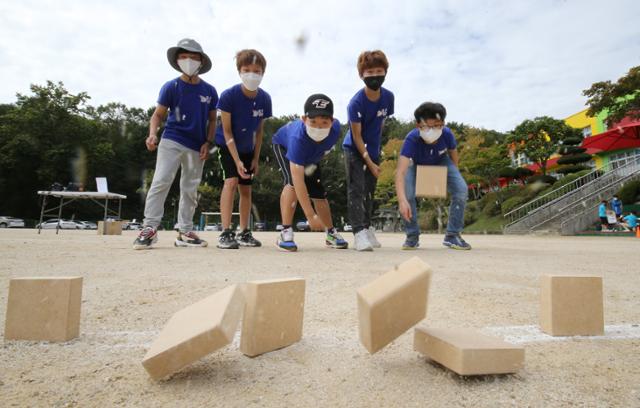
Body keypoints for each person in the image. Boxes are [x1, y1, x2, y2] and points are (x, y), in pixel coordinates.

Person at [133, 38, 218, 250]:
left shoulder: (209, 91)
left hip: (196, 144)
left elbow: (213, 120)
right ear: (177, 60)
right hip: (171, 139)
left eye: (193, 57)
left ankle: (185, 231)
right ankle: (149, 228)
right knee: (161, 181)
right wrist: (152, 134)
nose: (188, 60)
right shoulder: (171, 86)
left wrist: (208, 142)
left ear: (201, 61)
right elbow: (157, 115)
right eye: (183, 56)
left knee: (190, 188)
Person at [271, 94, 349, 252]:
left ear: (332, 122)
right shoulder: (296, 139)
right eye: (313, 122)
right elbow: (298, 180)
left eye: (324, 122)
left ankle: (330, 233)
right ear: (303, 119)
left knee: (319, 192)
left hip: (311, 156)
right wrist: (310, 215)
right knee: (292, 183)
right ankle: (285, 231)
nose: (318, 127)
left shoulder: (335, 130)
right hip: (284, 146)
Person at [215, 49, 272, 249]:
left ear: (263, 72)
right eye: (246, 69)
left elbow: (259, 132)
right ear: (239, 71)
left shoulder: (265, 99)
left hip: (248, 148)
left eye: (256, 70)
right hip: (228, 146)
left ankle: (245, 232)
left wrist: (255, 158)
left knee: (246, 189)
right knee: (231, 181)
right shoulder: (229, 96)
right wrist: (237, 161)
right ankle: (225, 232)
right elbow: (227, 131)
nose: (252, 74)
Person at [395, 102, 471, 250]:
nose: (434, 130)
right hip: (415, 163)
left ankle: (453, 235)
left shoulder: (447, 134)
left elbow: (454, 157)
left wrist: (451, 180)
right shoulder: (411, 139)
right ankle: (412, 236)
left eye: (438, 126)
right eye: (429, 127)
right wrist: (402, 200)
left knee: (461, 189)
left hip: (441, 160)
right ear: (419, 125)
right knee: (408, 194)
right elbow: (400, 172)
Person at [343, 50, 394, 251]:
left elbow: (380, 124)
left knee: (370, 192)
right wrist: (368, 161)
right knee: (356, 190)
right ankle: (358, 233)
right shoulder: (356, 102)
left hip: (372, 149)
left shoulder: (388, 97)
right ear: (361, 75)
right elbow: (356, 135)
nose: (374, 75)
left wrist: (376, 153)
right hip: (354, 149)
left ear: (385, 72)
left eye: (379, 71)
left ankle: (367, 227)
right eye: (369, 72)